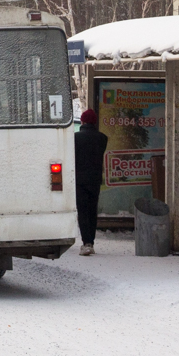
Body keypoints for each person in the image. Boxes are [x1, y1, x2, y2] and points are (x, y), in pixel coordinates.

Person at [74, 108, 108, 256]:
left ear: (82, 121)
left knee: (82, 211)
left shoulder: (75, 138)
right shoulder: (102, 138)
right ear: (94, 122)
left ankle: (86, 242)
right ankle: (91, 242)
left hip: (80, 180)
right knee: (92, 210)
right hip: (94, 180)